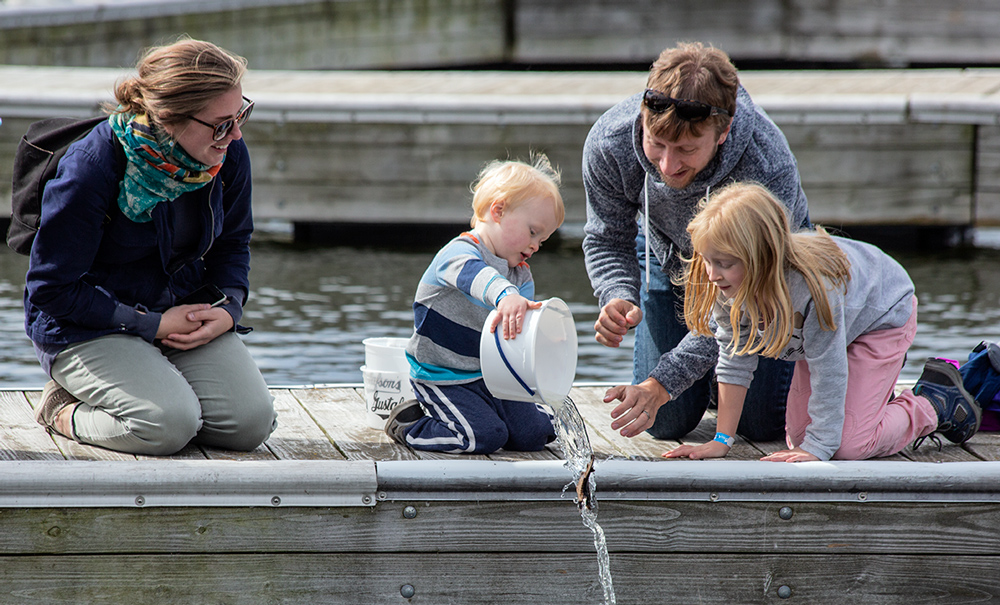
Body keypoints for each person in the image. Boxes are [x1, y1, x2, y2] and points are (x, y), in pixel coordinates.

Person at [26, 38, 277, 456]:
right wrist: (151, 325)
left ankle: (155, 385)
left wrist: (229, 309)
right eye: (221, 124)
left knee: (249, 425)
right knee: (166, 426)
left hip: (179, 312)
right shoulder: (91, 168)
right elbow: (51, 290)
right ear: (170, 117)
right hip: (86, 324)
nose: (234, 134)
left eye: (241, 115)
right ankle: (61, 409)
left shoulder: (226, 154)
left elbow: (234, 244)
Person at [582, 41, 809, 443]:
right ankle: (706, 376)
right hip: (666, 258)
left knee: (760, 426)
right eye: (657, 144)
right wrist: (617, 294)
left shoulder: (767, 163)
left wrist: (664, 381)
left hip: (759, 277)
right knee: (664, 422)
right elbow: (607, 236)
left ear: (722, 133)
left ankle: (718, 378)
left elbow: (744, 302)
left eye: (686, 149)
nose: (668, 166)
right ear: (642, 116)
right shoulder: (608, 144)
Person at [663, 182, 980, 463]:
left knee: (848, 445)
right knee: (799, 441)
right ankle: (873, 403)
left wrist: (820, 446)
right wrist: (722, 440)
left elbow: (828, 368)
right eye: (706, 259)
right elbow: (734, 359)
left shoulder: (812, 291)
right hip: (831, 332)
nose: (711, 274)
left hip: (881, 315)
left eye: (724, 263)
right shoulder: (727, 286)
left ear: (764, 258)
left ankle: (935, 403)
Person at [384, 155, 564, 454]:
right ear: (498, 211)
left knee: (533, 435)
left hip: (491, 377)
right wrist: (506, 295)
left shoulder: (520, 275)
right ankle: (411, 426)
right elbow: (476, 277)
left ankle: (513, 417)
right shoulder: (459, 253)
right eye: (533, 232)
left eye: (543, 241)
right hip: (444, 377)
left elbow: (520, 334)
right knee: (484, 437)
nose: (535, 245)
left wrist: (546, 336)